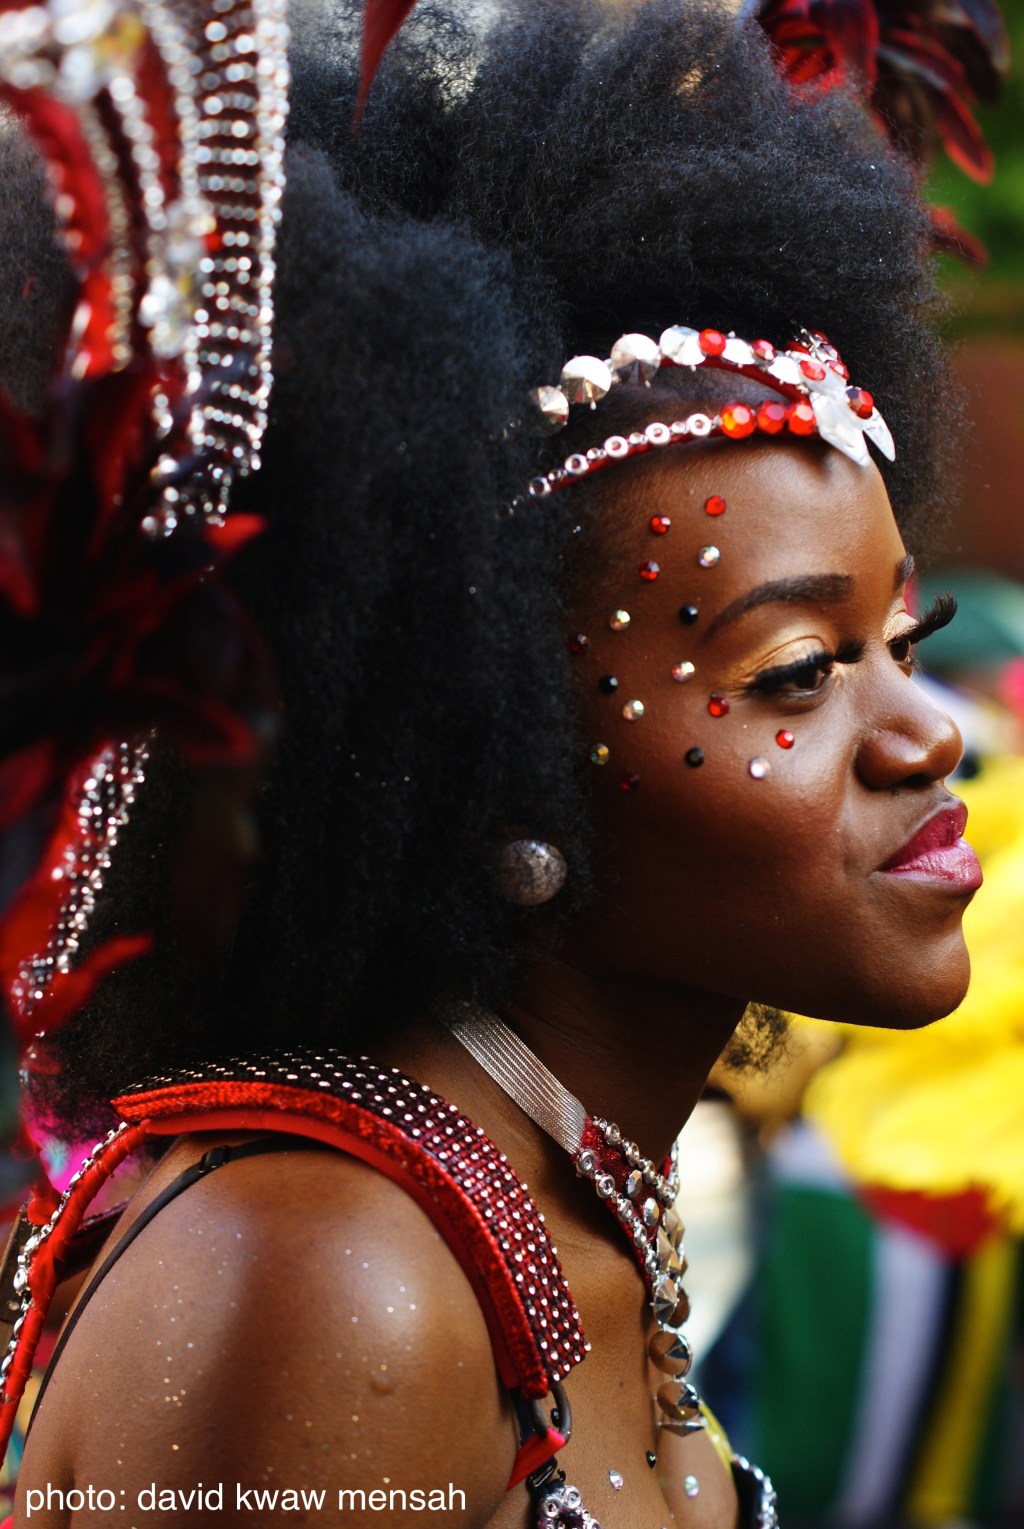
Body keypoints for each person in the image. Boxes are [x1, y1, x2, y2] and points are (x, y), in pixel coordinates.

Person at [2, 0, 982, 1523]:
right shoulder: (337, 1273)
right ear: (498, 757)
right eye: (799, 670)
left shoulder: (549, 1220)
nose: (931, 734)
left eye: (906, 645)